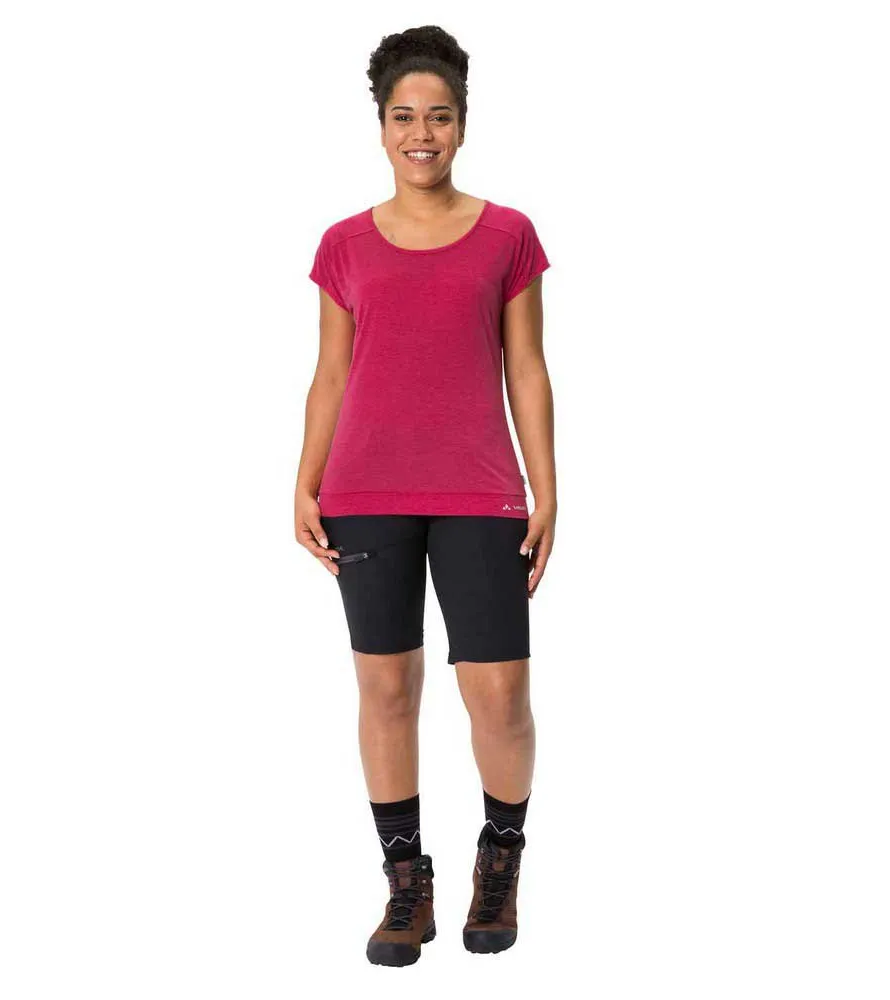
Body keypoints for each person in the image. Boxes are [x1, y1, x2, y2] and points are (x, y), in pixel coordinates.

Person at [294, 25, 557, 967]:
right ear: (380, 127)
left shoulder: (508, 235)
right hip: (364, 489)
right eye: (404, 117)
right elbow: (332, 374)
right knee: (386, 685)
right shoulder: (343, 245)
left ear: (462, 125)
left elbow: (526, 368)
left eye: (438, 116)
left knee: (501, 693)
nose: (421, 134)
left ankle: (501, 859)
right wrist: (303, 480)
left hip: (481, 490)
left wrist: (546, 488)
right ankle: (407, 883)